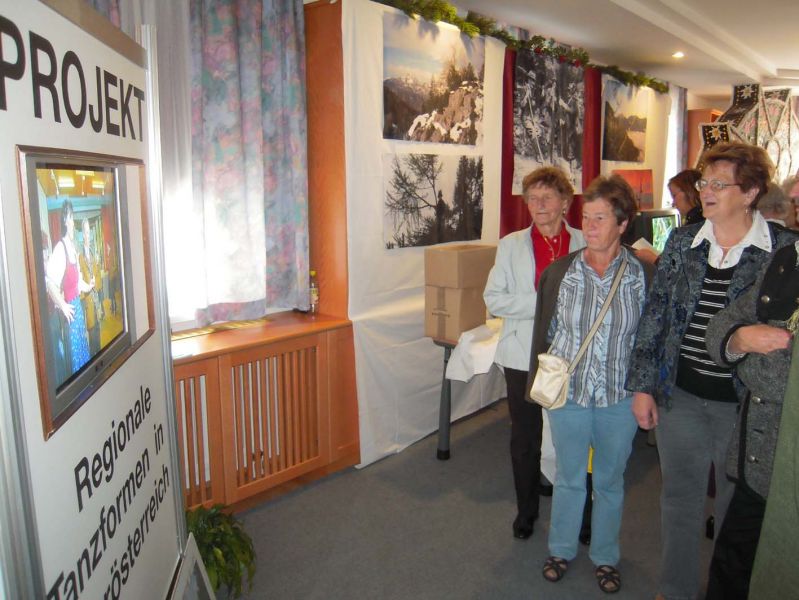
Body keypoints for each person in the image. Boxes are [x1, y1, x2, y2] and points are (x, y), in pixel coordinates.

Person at [626, 142, 799, 600]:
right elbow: (655, 316)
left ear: (751, 192)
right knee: (678, 499)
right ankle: (675, 589)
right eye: (705, 182)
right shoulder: (683, 242)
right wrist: (643, 386)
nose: (707, 191)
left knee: (734, 508)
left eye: (720, 184)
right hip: (681, 396)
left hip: (744, 408)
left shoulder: (783, 250)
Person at [530, 175, 651, 594]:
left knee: (609, 481)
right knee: (568, 476)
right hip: (571, 395)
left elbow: (649, 340)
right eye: (587, 217)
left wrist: (646, 390)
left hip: (619, 396)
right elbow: (545, 333)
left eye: (601, 218)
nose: (590, 226)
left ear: (623, 223)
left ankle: (605, 556)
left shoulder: (642, 275)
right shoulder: (561, 272)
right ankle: (561, 549)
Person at [483, 166, 585, 540]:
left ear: (565, 203)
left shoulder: (584, 242)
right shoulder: (511, 245)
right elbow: (493, 299)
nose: (539, 205)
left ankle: (578, 512)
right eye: (532, 198)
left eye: (547, 197)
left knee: (572, 436)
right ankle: (526, 511)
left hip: (571, 355)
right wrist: (543, 302)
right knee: (525, 438)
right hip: (523, 356)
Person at [703, 241, 799, 599]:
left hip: (789, 462)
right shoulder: (787, 257)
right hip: (758, 459)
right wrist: (741, 338)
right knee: (732, 567)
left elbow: (779, 378)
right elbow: (722, 325)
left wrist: (748, 360)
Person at [46, 200, 94, 375]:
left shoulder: (73, 249)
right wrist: (63, 305)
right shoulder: (60, 248)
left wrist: (89, 286)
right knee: (76, 363)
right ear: (66, 220)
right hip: (71, 317)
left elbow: (78, 282)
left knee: (84, 356)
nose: (74, 223)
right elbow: (49, 282)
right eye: (72, 218)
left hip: (78, 312)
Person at [79, 219, 103, 355]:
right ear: (83, 234)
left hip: (97, 302)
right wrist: (88, 285)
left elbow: (98, 276)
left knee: (98, 336)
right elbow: (80, 283)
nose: (89, 236)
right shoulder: (80, 256)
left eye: (89, 232)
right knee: (92, 337)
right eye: (86, 232)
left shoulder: (93, 253)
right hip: (88, 303)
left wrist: (96, 282)